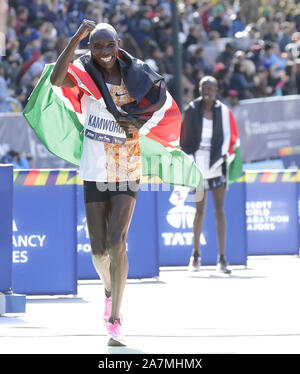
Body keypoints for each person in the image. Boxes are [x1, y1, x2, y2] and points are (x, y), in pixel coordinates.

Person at [48, 20, 187, 346]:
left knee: (116, 242)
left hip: (126, 167)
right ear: (91, 48)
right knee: (98, 252)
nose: (105, 52)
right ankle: (110, 289)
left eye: (109, 45)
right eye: (98, 46)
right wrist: (76, 39)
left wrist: (135, 122)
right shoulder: (83, 77)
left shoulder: (136, 76)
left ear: (118, 43)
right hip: (95, 169)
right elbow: (56, 78)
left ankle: (115, 318)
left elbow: (157, 105)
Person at [180, 76, 241, 274]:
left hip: (217, 164)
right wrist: (189, 159)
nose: (207, 91)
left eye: (211, 88)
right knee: (199, 211)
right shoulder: (191, 110)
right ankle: (195, 255)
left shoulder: (223, 111)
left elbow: (231, 137)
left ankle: (222, 259)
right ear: (199, 89)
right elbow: (184, 138)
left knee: (220, 210)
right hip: (198, 166)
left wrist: (225, 155)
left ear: (216, 90)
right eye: (204, 87)